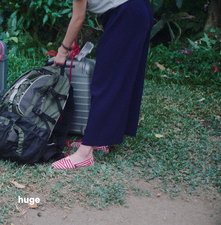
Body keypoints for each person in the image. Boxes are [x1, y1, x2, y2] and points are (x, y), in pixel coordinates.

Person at [52, 0, 153, 169]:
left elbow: (78, 18)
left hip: (127, 14)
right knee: (121, 78)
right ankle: (102, 138)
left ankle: (85, 154)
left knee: (106, 82)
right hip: (136, 10)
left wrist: (62, 51)